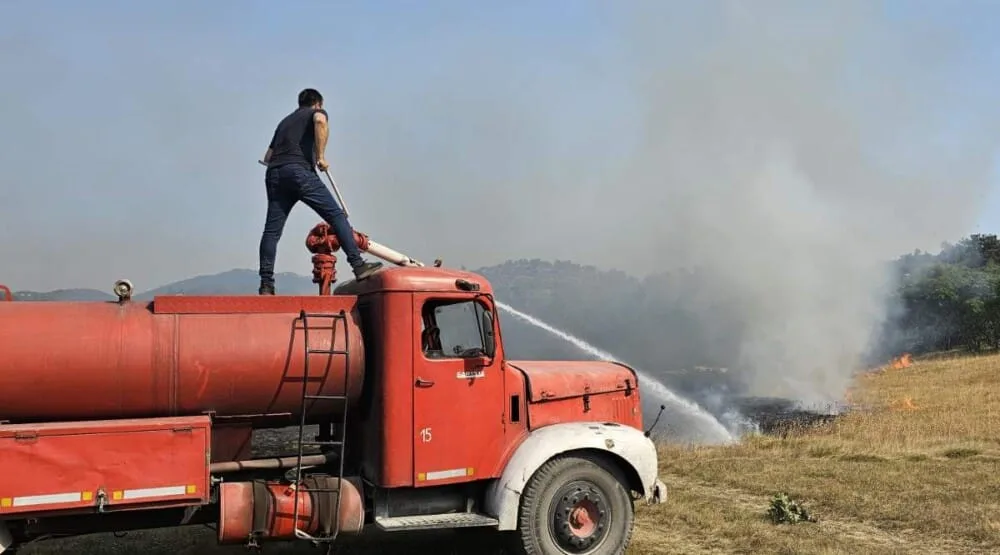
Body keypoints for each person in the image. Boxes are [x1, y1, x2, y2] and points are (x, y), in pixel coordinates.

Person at [257, 88, 382, 295]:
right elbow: (320, 122)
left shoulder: (284, 123)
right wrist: (321, 155)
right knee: (336, 216)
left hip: (275, 174)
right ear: (318, 103)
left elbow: (268, 156)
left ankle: (266, 284)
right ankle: (358, 265)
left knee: (271, 231)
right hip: (300, 172)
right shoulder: (316, 113)